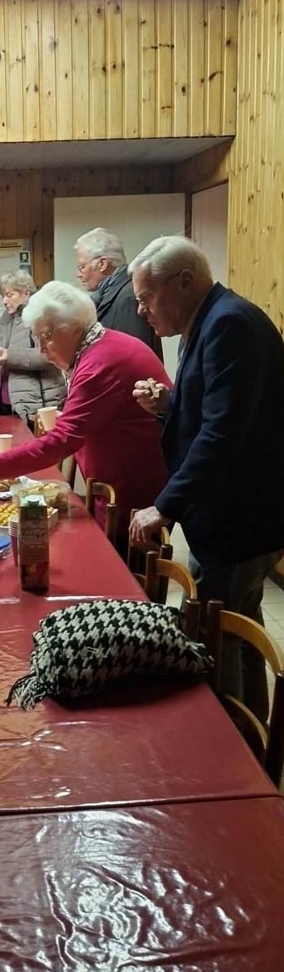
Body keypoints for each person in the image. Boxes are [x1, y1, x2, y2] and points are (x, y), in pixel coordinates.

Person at [128, 235, 284, 722]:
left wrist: (165, 505)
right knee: (237, 630)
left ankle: (233, 753)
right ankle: (250, 742)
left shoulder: (228, 323)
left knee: (219, 639)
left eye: (146, 297)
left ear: (185, 282)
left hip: (239, 519)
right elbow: (217, 410)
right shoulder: (213, 319)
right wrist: (168, 404)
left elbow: (222, 433)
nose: (141, 310)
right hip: (239, 515)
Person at [0, 281, 170, 551]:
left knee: (120, 579)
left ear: (75, 326)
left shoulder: (101, 362)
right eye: (36, 338)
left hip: (133, 494)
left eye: (46, 336)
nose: (41, 349)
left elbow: (63, 441)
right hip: (117, 486)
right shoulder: (98, 346)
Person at [0, 270, 66, 426]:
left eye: (9, 295)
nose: (4, 301)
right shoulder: (4, 321)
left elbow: (51, 356)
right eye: (2, 296)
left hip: (36, 405)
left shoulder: (41, 317)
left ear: (25, 294)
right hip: (5, 403)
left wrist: (9, 357)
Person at [75, 227, 162, 357]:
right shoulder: (111, 294)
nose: (78, 275)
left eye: (82, 267)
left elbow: (133, 359)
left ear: (102, 264)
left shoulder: (128, 298)